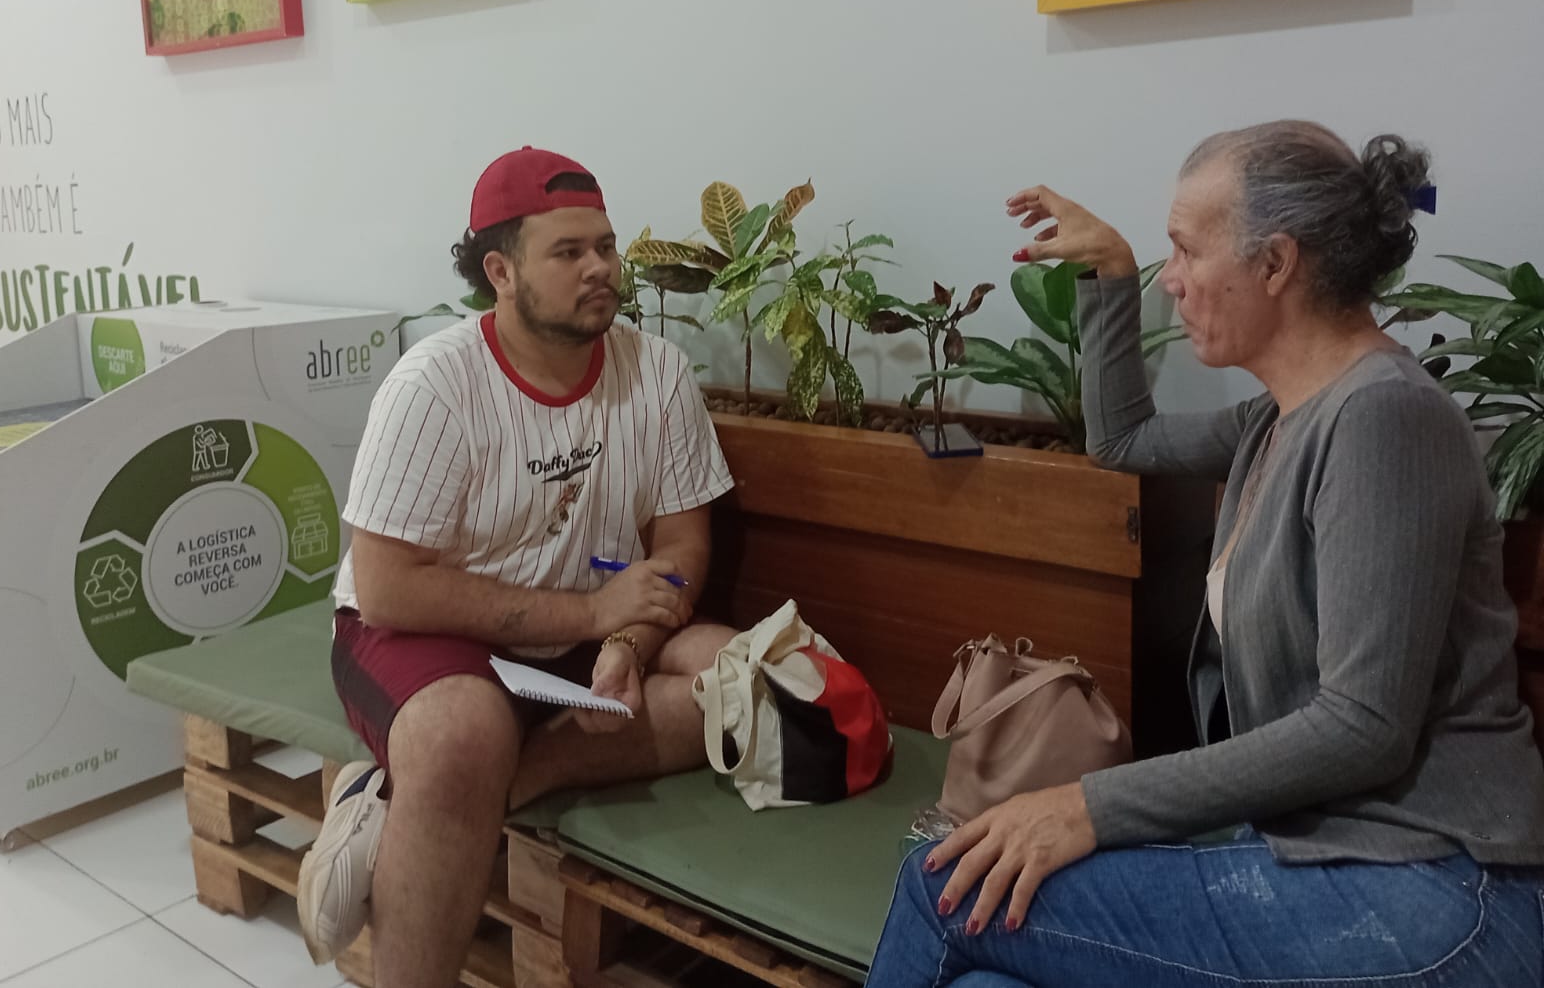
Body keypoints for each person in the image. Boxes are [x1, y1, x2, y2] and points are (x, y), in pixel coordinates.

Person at [868, 121, 1544, 987]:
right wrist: (1110, 272)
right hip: (1325, 855)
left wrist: (1086, 806)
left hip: (1433, 886)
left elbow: (1364, 727)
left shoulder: (1385, 416)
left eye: (1186, 250)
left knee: (945, 890)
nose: (1174, 279)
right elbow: (1121, 440)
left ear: (1276, 264)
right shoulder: (1278, 418)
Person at [296, 147, 736, 988]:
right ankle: (452, 784)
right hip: (427, 632)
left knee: (741, 676)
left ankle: (421, 795)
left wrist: (628, 645)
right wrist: (594, 617)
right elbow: (388, 590)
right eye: (568, 252)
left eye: (604, 246)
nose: (599, 268)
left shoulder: (658, 373)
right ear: (499, 271)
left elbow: (682, 551)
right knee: (463, 734)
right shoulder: (433, 385)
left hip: (587, 634)